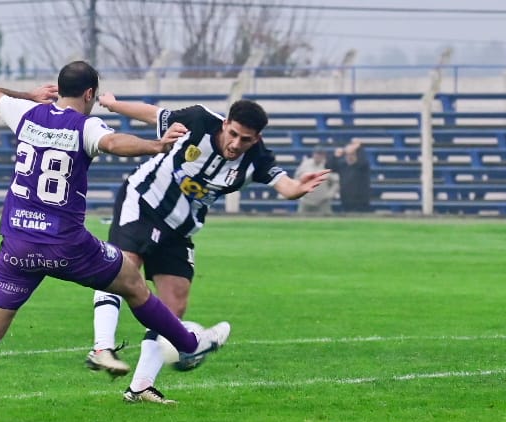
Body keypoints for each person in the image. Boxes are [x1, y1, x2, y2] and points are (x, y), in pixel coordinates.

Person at [0, 61, 231, 422]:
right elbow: (113, 142)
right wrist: (155, 145)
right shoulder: (85, 125)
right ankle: (188, 345)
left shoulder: (26, 112)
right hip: (66, 245)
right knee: (134, 284)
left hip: (17, 243)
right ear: (90, 93)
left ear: (58, 89)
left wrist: (28, 94)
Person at [87, 93, 330, 404]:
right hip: (144, 201)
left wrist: (299, 188)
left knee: (175, 304)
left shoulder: (256, 158)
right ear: (225, 123)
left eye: (246, 139)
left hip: (180, 228)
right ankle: (101, 348)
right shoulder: (199, 120)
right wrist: (114, 104)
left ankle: (140, 387)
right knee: (122, 269)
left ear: (256, 138)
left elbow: (286, 186)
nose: (236, 144)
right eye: (233, 134)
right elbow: (153, 114)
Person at [326, 138, 370, 212]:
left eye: (352, 154)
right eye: (348, 154)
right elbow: (329, 167)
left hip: (361, 202)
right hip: (346, 201)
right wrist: (335, 156)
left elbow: (363, 160)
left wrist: (358, 147)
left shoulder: (361, 166)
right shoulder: (342, 166)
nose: (350, 156)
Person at [295, 146, 339, 215]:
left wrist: (330, 194)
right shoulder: (305, 165)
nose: (318, 156)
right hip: (306, 201)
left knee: (325, 221)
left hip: (323, 202)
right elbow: (297, 179)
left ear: (324, 156)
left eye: (320, 154)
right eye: (317, 154)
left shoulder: (328, 165)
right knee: (302, 220)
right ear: (313, 154)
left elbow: (336, 182)